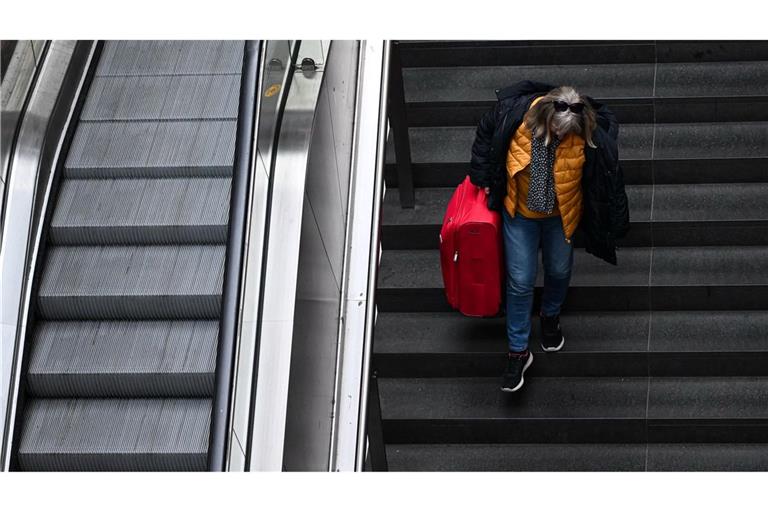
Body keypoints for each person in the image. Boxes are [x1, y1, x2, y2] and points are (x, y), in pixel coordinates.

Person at [468, 80, 629, 393]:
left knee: (559, 270)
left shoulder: (585, 132)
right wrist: (483, 177)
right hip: (519, 214)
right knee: (519, 281)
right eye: (555, 131)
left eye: (566, 133)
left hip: (560, 215)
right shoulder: (514, 115)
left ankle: (550, 315)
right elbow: (486, 134)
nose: (560, 137)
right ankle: (518, 351)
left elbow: (605, 174)